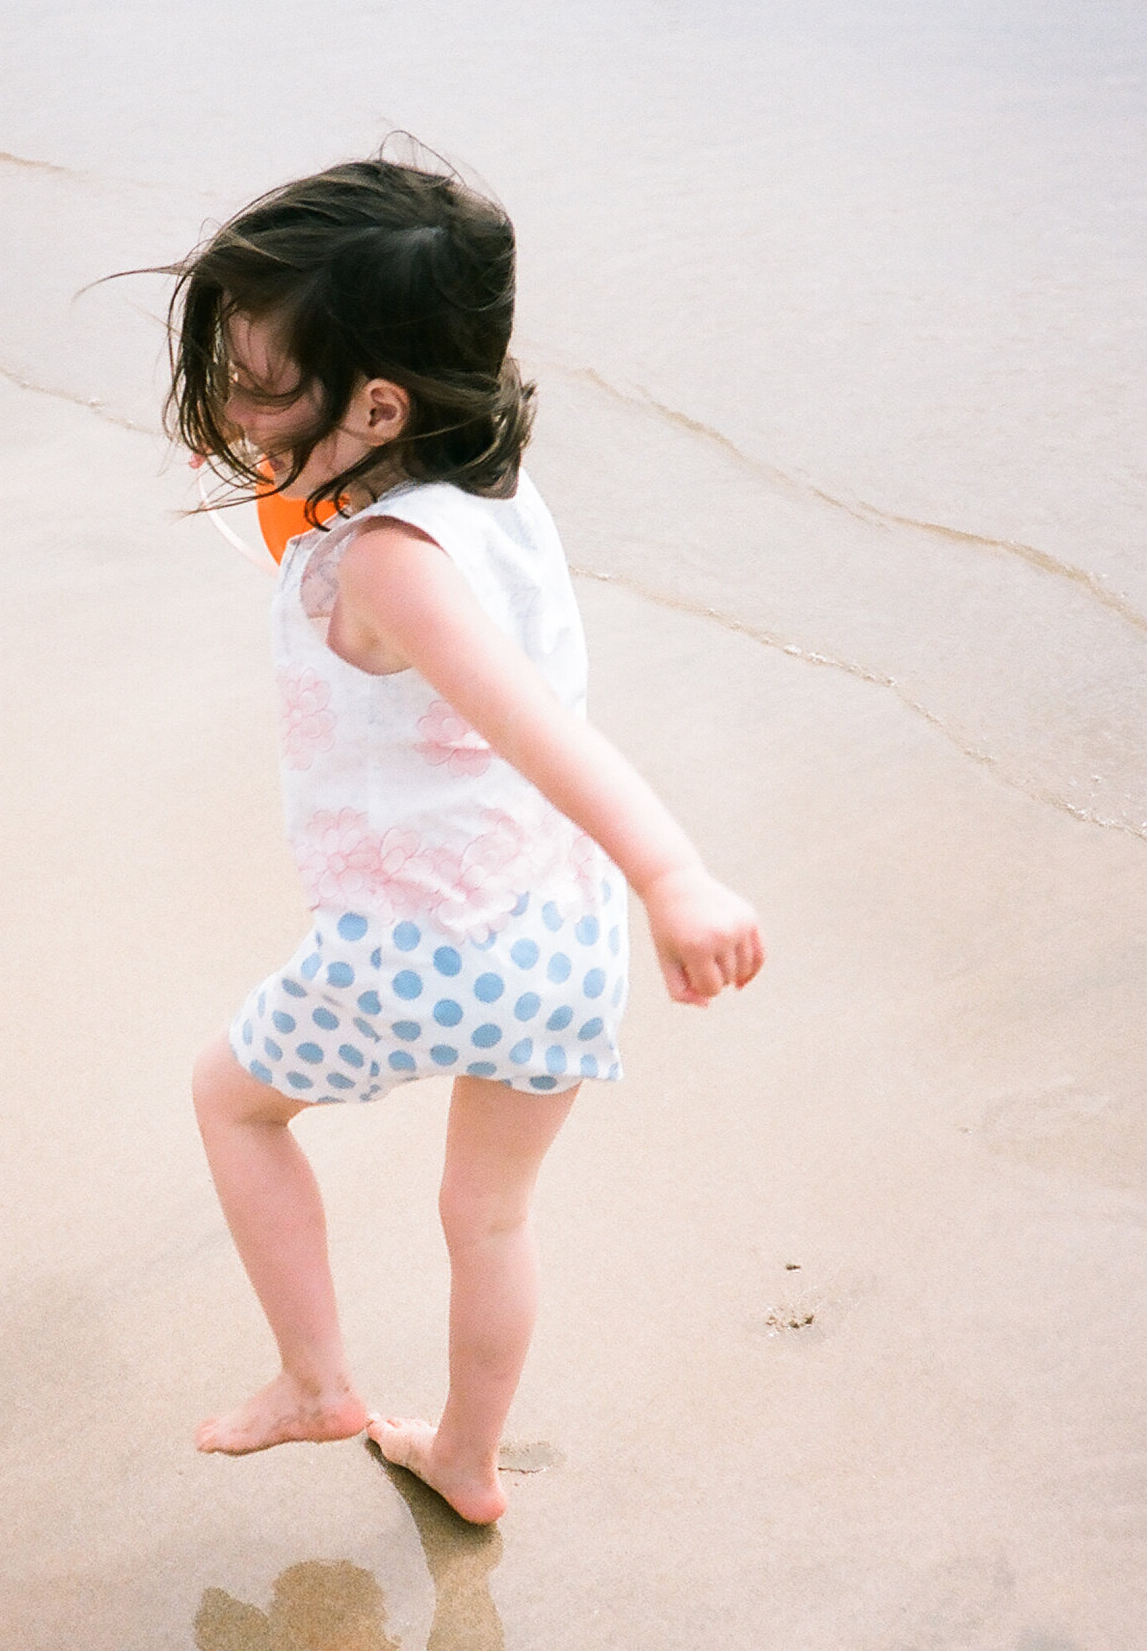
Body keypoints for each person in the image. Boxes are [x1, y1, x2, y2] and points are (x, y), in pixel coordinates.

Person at [166, 158, 765, 1526]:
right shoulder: (490, 490)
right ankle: (469, 1459)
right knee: (487, 1217)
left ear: (377, 404)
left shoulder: (386, 564)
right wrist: (641, 895)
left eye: (259, 384)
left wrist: (672, 867)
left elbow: (540, 726)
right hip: (554, 934)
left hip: (417, 938)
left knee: (231, 1099)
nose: (229, 408)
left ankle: (316, 1380)